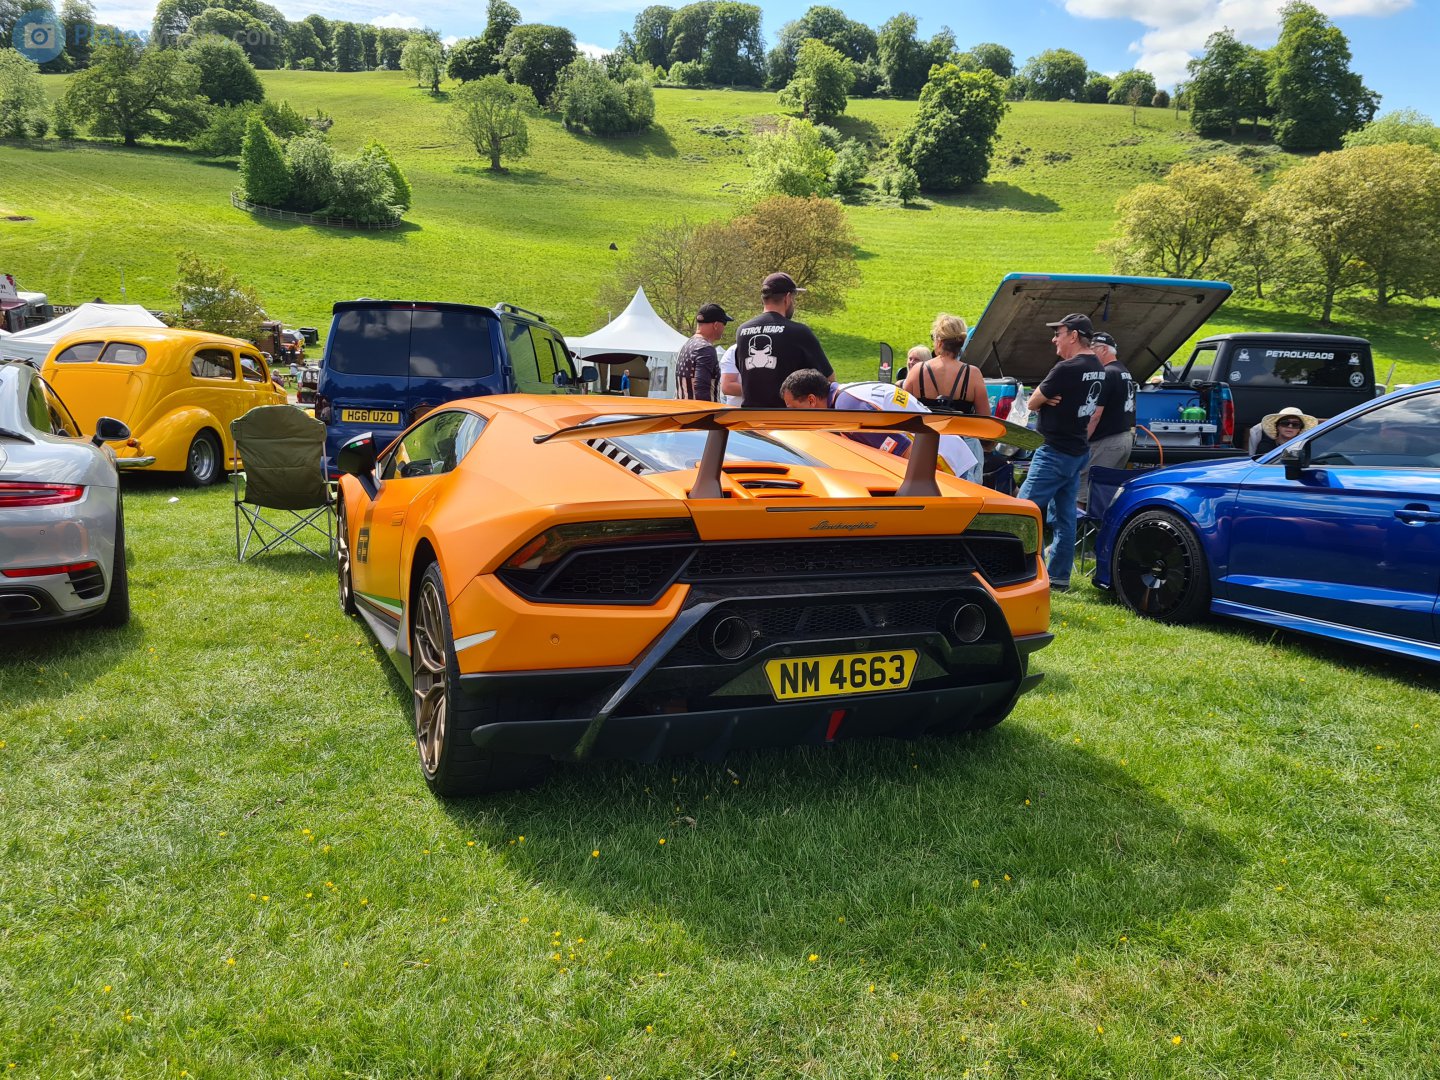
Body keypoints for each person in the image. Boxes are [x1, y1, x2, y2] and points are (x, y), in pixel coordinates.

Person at [1016, 312, 1106, 592]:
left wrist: (1043, 399)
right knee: (1066, 519)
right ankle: (1057, 578)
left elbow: (1031, 403)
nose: (1054, 338)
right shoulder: (1097, 366)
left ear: (1074, 336)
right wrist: (1046, 398)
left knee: (1020, 512)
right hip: (1077, 450)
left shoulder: (1066, 368)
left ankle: (1021, 574)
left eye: (1059, 333)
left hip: (1054, 451)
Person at [780, 369, 978, 479]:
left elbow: (904, 453)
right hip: (952, 454)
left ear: (812, 400)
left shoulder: (849, 410)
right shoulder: (847, 395)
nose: (794, 416)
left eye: (793, 408)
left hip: (945, 465)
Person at [903, 313, 989, 483]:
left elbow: (901, 413)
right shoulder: (972, 374)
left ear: (939, 341)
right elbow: (985, 420)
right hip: (962, 452)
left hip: (924, 448)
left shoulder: (917, 371)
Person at [734, 272, 833, 407]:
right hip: (786, 419)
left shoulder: (742, 331)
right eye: (793, 298)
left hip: (751, 418)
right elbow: (828, 380)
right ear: (787, 298)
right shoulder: (799, 332)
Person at [1078, 331, 1135, 507]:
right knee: (1106, 493)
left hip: (1107, 441)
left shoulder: (1107, 373)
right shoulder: (1124, 371)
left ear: (1103, 349)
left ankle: (1071, 532)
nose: (1090, 353)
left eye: (1093, 348)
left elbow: (1095, 414)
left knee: (1083, 491)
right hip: (1124, 438)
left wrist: (1081, 441)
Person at [675, 302, 731, 401]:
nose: (724, 328)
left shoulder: (685, 345)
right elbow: (701, 388)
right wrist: (707, 415)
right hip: (700, 413)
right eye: (724, 323)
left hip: (682, 411)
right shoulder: (705, 349)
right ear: (716, 325)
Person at [1250, 405, 1317, 455]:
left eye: (1295, 424)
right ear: (1277, 426)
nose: (1290, 426)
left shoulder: (1305, 447)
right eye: (1285, 423)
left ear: (1300, 429)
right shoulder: (1265, 445)